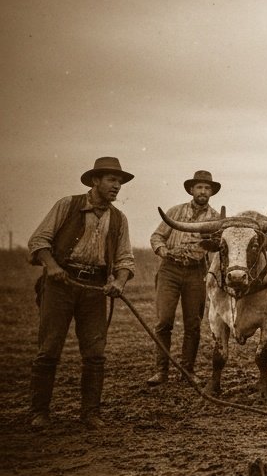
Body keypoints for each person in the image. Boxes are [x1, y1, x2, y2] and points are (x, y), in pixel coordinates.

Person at [27, 157, 136, 429]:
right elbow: (38, 241)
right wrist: (51, 267)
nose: (117, 186)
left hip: (95, 289)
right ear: (95, 181)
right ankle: (39, 413)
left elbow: (125, 259)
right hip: (60, 285)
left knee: (95, 353)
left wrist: (119, 283)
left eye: (120, 182)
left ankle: (90, 414)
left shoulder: (119, 219)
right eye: (111, 180)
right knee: (49, 349)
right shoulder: (68, 205)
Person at [147, 170, 220, 385]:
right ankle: (161, 371)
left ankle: (187, 372)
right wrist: (162, 251)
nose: (203, 192)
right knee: (164, 321)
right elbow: (157, 236)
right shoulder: (175, 212)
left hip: (197, 271)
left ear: (211, 193)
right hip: (170, 268)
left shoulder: (216, 218)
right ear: (191, 190)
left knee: (193, 323)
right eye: (199, 187)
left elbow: (218, 245)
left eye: (207, 188)